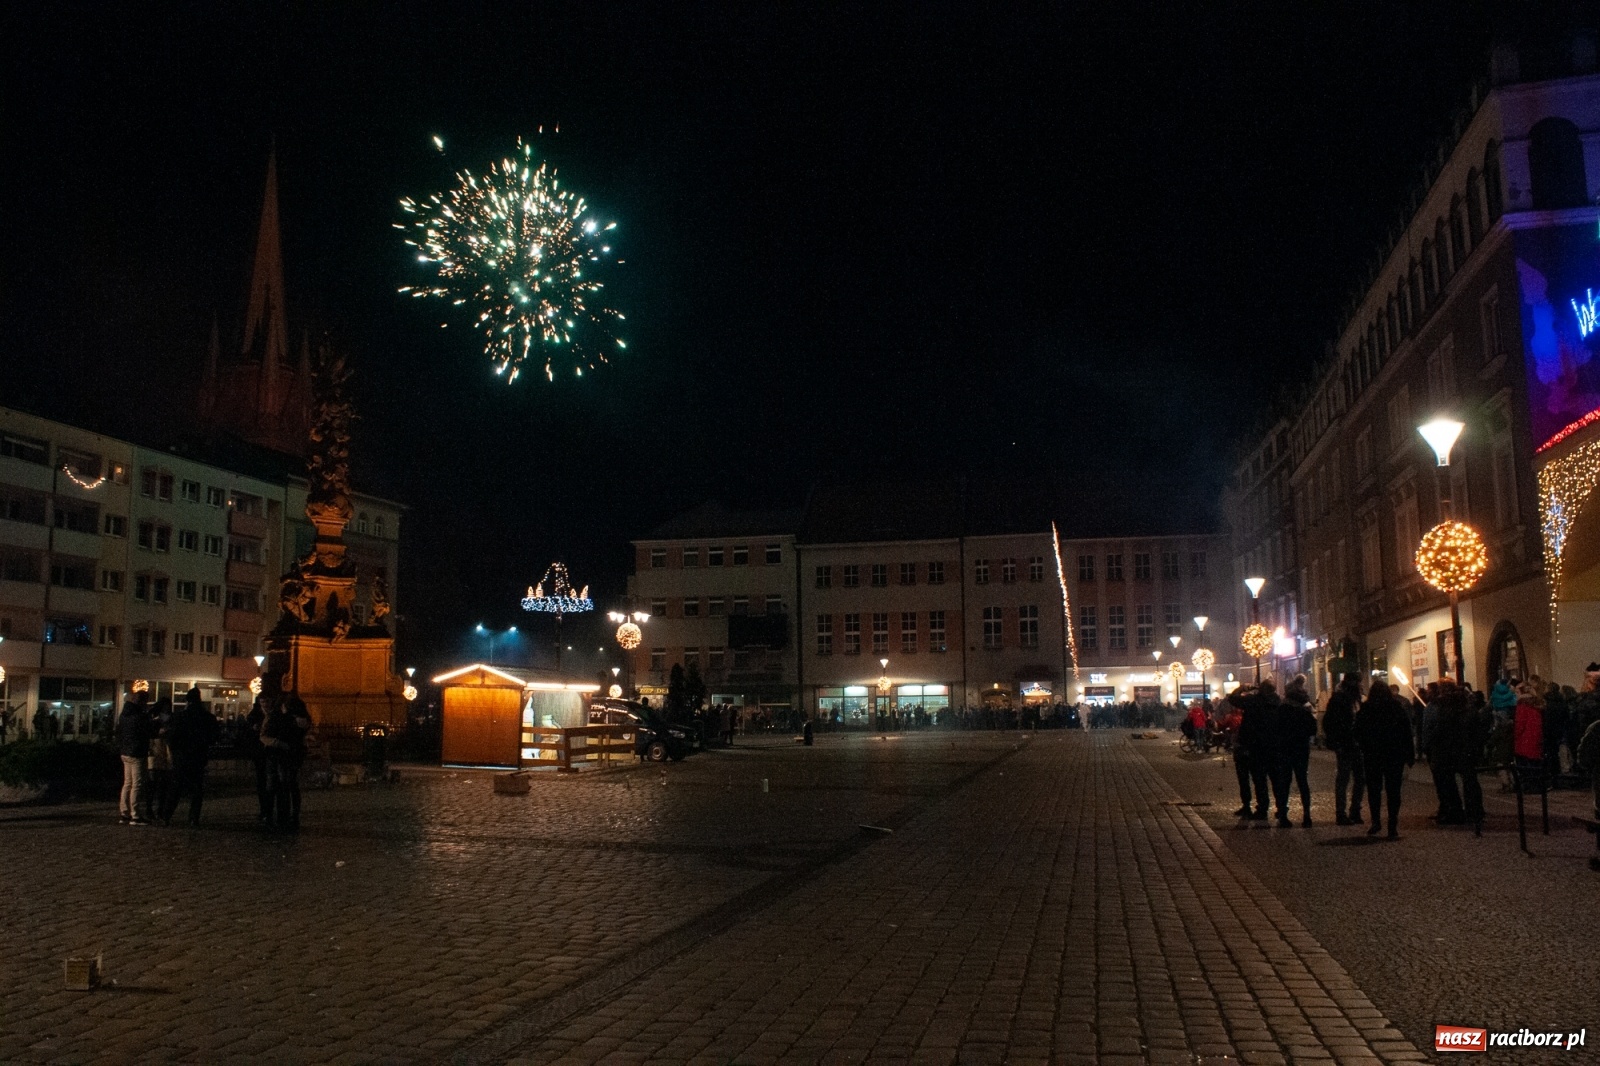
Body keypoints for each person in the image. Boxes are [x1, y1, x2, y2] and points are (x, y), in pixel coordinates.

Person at [1355, 680, 1415, 839]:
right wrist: (1410, 755)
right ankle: (1392, 825)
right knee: (1393, 791)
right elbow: (1406, 732)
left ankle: (1376, 822)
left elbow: (1358, 732)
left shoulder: (1366, 709)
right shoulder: (1396, 708)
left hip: (1373, 755)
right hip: (1394, 755)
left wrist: (1364, 747)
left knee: (1374, 790)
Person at [164, 687, 219, 826]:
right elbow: (214, 737)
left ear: (188, 701)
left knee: (175, 788)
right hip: (198, 756)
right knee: (197, 789)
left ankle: (167, 816)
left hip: (181, 757)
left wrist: (173, 751)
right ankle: (193, 818)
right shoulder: (208, 718)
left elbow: (171, 737)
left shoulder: (179, 717)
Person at [1322, 675, 1365, 825]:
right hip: (1346, 744)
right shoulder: (1340, 700)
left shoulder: (1356, 700)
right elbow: (1329, 723)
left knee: (1358, 778)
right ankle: (1341, 813)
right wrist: (1336, 742)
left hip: (1356, 744)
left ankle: (1354, 810)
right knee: (1345, 778)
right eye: (1358, 683)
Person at [1235, 682, 1281, 821]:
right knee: (1276, 780)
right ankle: (1281, 809)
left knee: (1259, 779)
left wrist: (1243, 688)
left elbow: (1233, 699)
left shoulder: (1253, 701)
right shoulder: (1278, 702)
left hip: (1254, 746)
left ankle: (1262, 808)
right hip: (1273, 746)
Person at [1280, 675, 1318, 827]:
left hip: (1285, 749)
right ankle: (1307, 815)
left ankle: (1283, 815)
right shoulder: (1304, 711)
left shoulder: (1282, 710)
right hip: (1301, 749)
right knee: (1302, 781)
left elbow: (1276, 729)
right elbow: (1313, 729)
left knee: (1285, 782)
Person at [115, 688, 152, 825]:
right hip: (136, 752)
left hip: (125, 751)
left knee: (128, 783)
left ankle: (124, 813)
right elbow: (146, 730)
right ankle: (135, 815)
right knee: (137, 784)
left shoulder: (124, 714)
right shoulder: (139, 716)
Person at [144, 697, 174, 822]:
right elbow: (149, 737)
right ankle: (151, 810)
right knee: (153, 785)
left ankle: (159, 811)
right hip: (157, 755)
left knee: (162, 787)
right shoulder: (154, 721)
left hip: (165, 756)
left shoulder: (170, 720)